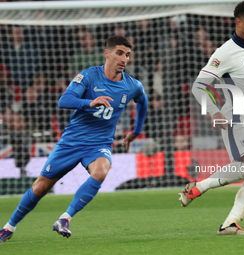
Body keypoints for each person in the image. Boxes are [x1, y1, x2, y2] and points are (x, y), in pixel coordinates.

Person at [0, 35, 148, 242]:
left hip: (99, 144)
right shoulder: (88, 76)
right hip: (72, 142)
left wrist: (136, 131)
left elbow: (143, 101)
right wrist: (89, 102)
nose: (124, 59)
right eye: (120, 53)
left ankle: (65, 218)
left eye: (128, 55)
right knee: (41, 187)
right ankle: (9, 226)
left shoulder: (132, 86)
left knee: (101, 171)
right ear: (107, 53)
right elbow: (65, 100)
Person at [178, 1, 244, 235]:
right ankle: (200, 187)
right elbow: (199, 86)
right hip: (237, 118)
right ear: (238, 22)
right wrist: (214, 111)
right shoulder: (225, 52)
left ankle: (229, 224)